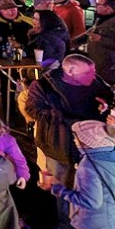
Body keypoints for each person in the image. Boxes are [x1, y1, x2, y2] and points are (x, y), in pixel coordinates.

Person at [19, 51, 115, 188]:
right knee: (63, 188)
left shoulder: (96, 82)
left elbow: (109, 99)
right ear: (70, 71)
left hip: (91, 147)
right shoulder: (44, 86)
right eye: (88, 73)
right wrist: (65, 118)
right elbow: (33, 110)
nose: (93, 76)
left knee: (90, 190)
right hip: (59, 145)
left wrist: (105, 106)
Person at [30, 0, 71, 65]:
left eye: (37, 19)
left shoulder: (47, 37)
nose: (33, 21)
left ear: (45, 21)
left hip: (47, 70)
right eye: (34, 18)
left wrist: (42, 65)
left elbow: (52, 58)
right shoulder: (41, 32)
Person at [87, 0, 115, 85]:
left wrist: (100, 39)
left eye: (99, 4)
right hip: (98, 66)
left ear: (108, 7)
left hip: (110, 68)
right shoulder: (100, 19)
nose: (96, 6)